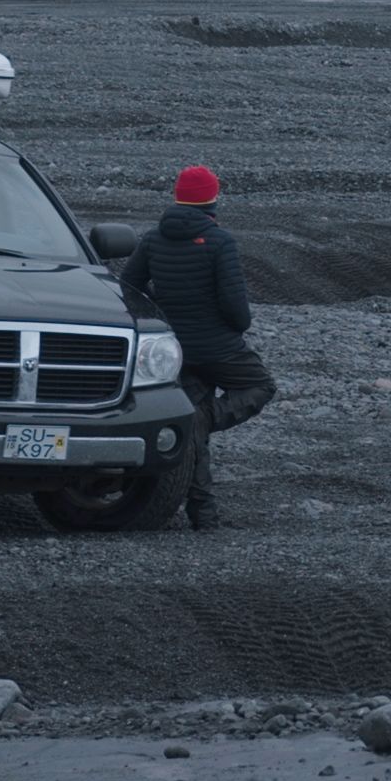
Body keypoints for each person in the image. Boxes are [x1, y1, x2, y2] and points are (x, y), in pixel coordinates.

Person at [121, 163, 276, 530]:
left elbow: (129, 287)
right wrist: (231, 326)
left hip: (173, 349)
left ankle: (203, 513)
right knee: (259, 386)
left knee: (191, 414)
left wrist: (164, 307)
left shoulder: (154, 237)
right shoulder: (220, 241)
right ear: (213, 198)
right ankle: (203, 421)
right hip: (218, 347)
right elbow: (237, 311)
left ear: (177, 196)